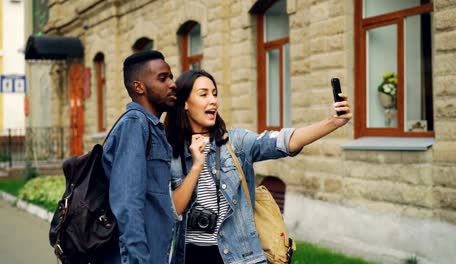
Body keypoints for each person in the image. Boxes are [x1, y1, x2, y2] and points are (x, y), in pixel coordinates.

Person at [164, 69, 352, 264]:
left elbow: (283, 142)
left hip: (239, 257)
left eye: (215, 93)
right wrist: (196, 166)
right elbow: (173, 210)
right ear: (185, 103)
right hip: (190, 257)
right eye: (204, 94)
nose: (213, 100)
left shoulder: (235, 143)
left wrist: (333, 122)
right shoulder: (170, 152)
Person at [101, 50, 178, 264]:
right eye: (163, 78)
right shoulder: (136, 124)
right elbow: (127, 203)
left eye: (171, 77)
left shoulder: (152, 128)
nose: (172, 84)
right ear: (139, 87)